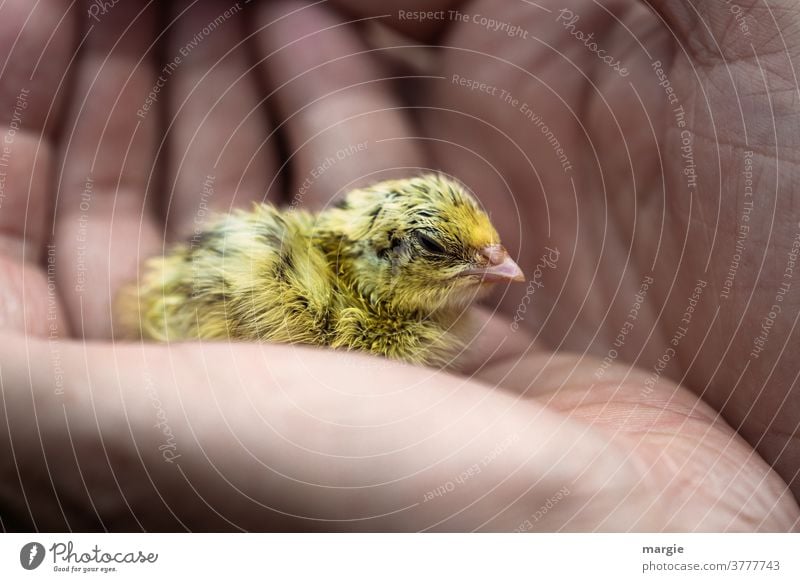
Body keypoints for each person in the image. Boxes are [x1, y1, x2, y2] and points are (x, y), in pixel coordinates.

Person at [0, 0, 797, 531]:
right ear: (386, 258)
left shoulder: (355, 285)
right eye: (455, 256)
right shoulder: (342, 312)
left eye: (485, 251)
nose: (501, 267)